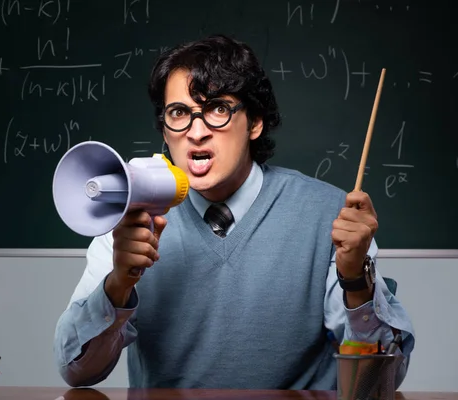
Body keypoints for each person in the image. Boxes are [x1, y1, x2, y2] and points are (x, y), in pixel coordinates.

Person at [53, 34, 415, 389]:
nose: (196, 132)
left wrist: (356, 281)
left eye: (217, 109)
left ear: (255, 122)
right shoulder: (128, 217)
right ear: (164, 129)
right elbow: (77, 372)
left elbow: (382, 380)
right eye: (179, 113)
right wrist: (119, 284)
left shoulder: (330, 215)